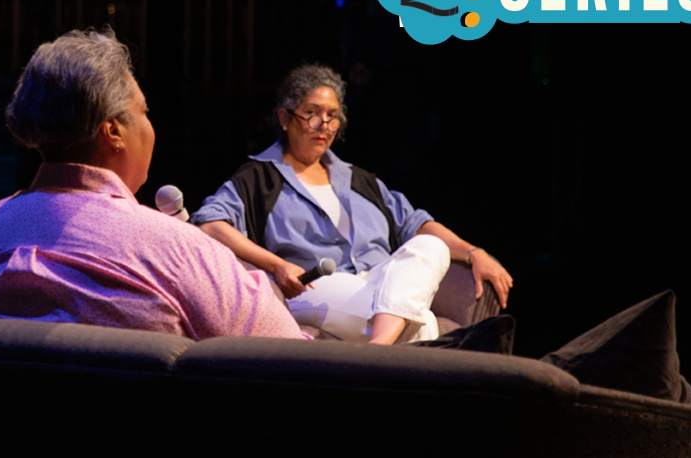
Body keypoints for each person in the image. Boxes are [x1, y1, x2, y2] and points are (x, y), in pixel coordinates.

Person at [0, 28, 307, 340]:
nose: (150, 126)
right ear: (113, 131)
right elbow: (292, 366)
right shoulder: (183, 252)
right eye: (143, 112)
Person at [192, 64, 514, 344]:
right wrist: (276, 265)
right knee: (423, 324)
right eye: (312, 114)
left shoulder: (360, 180)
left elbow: (417, 225)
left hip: (379, 282)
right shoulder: (259, 179)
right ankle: (387, 345)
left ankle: (376, 353)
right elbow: (209, 224)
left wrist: (475, 253)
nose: (324, 126)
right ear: (286, 118)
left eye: (332, 117)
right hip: (317, 287)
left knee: (432, 247)